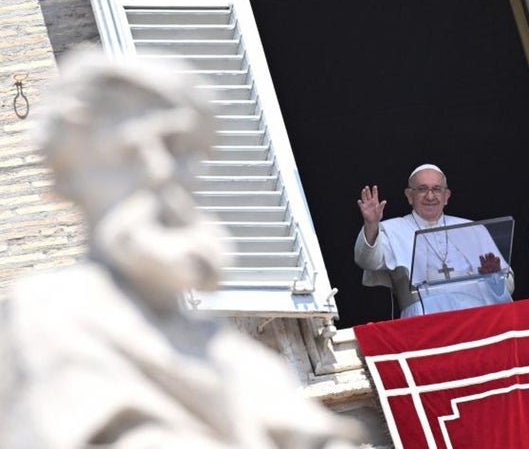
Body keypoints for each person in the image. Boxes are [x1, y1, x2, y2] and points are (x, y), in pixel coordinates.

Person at [0, 49, 364, 448]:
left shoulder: (246, 364)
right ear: (67, 182)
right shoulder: (47, 321)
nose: (159, 172)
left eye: (176, 147)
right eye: (124, 153)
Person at [354, 163, 515, 318]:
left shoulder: (473, 229)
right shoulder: (392, 229)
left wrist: (496, 276)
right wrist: (371, 224)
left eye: (436, 189)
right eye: (422, 189)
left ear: (446, 196)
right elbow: (367, 261)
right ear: (409, 196)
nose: (430, 196)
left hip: (476, 318)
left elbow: (508, 285)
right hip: (423, 322)